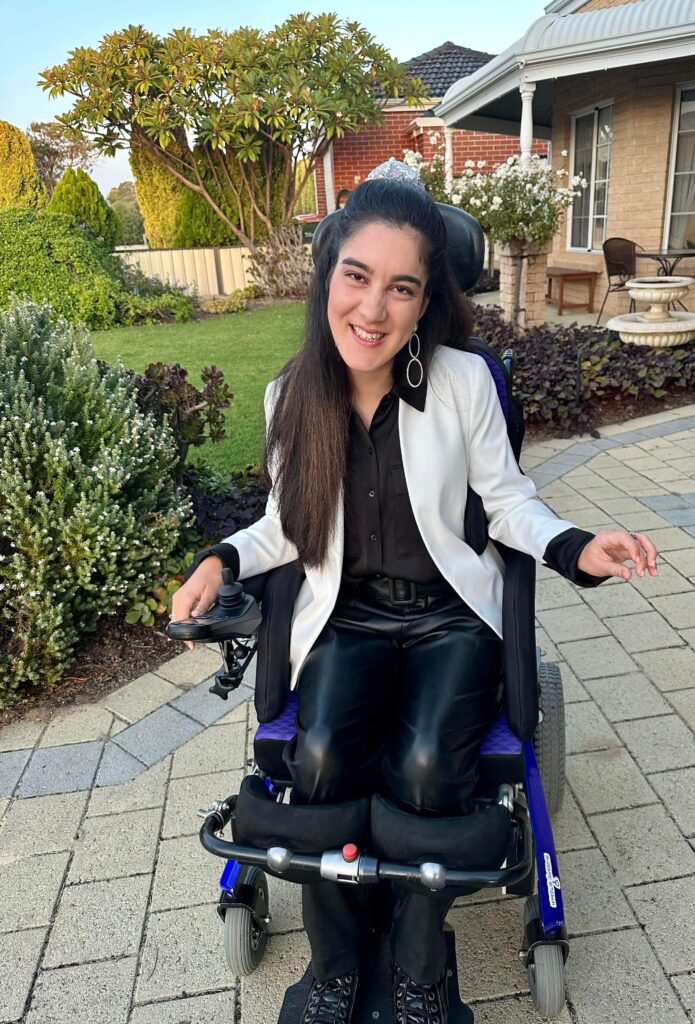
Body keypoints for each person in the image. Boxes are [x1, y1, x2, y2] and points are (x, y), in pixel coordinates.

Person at [172, 161, 658, 1024]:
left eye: (401, 288)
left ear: (425, 298)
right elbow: (285, 528)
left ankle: (420, 967)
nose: (373, 309)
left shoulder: (463, 383)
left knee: (432, 765)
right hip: (347, 619)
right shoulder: (293, 395)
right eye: (356, 277)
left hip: (445, 620)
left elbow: (507, 504)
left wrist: (580, 546)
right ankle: (332, 963)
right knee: (315, 757)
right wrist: (220, 560)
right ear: (329, 276)